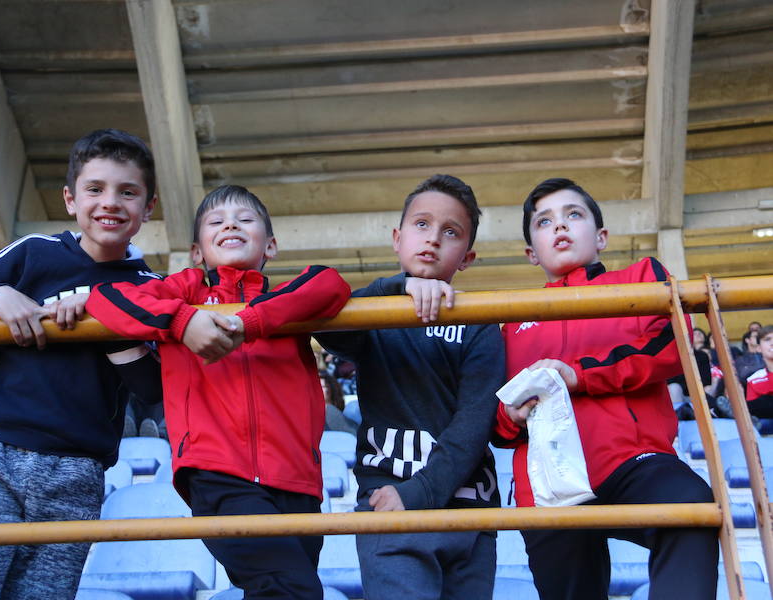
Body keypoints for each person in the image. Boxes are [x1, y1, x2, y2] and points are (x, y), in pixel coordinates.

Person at [0, 129, 164, 600]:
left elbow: (154, 390)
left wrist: (105, 316)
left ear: (148, 208)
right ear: (71, 199)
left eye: (127, 191)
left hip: (77, 472)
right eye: (95, 189)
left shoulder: (150, 286)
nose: (110, 202)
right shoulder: (32, 252)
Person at [87, 184, 351, 600]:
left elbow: (331, 283)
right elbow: (106, 299)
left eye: (245, 219)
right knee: (291, 589)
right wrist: (182, 323)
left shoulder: (287, 301)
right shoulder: (186, 293)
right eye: (216, 221)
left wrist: (251, 321)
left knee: (277, 589)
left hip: (297, 479)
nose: (230, 224)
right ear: (197, 252)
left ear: (272, 246)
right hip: (216, 473)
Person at [493, 178, 718, 600]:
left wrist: (580, 376)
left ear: (601, 237)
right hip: (547, 484)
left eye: (572, 215)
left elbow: (673, 346)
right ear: (531, 252)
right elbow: (492, 419)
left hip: (633, 460)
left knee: (692, 509)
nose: (559, 227)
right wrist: (509, 416)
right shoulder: (508, 320)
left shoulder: (641, 277)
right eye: (544, 222)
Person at [315, 174, 505, 600]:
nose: (433, 239)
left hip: (468, 512)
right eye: (421, 225)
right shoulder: (372, 315)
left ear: (467, 257)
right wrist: (395, 288)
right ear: (397, 238)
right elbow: (327, 326)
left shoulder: (481, 323)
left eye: (450, 231)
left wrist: (420, 493)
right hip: (390, 506)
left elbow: (475, 422)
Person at [746, 325, 773, 418]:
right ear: (759, 348)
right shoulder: (753, 379)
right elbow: (753, 409)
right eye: (767, 339)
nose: (772, 342)